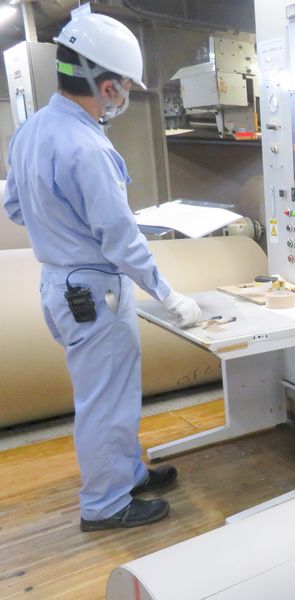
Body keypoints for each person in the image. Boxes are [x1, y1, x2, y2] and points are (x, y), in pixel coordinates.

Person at [2, 13, 202, 531]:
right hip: (93, 290)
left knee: (111, 393)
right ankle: (106, 504)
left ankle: (127, 473)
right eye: (126, 87)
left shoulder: (31, 131)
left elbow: (15, 207)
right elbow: (119, 237)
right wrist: (167, 293)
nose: (124, 96)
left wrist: (60, 228)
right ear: (108, 85)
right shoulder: (88, 146)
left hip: (61, 284)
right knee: (105, 401)